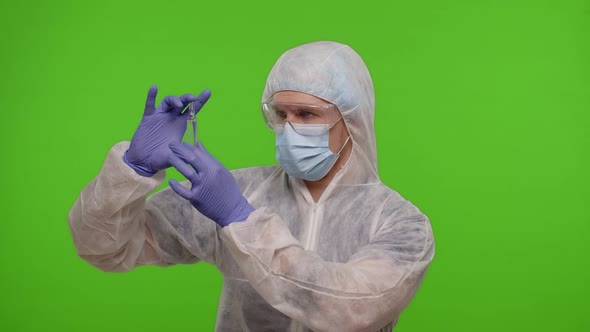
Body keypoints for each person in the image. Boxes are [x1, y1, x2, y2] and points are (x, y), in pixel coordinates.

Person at [68, 41, 435, 332]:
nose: (289, 127)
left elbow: (350, 308)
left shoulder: (401, 225)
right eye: (280, 114)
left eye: (306, 115)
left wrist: (241, 220)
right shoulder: (235, 191)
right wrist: (131, 170)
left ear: (351, 121)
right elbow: (105, 250)